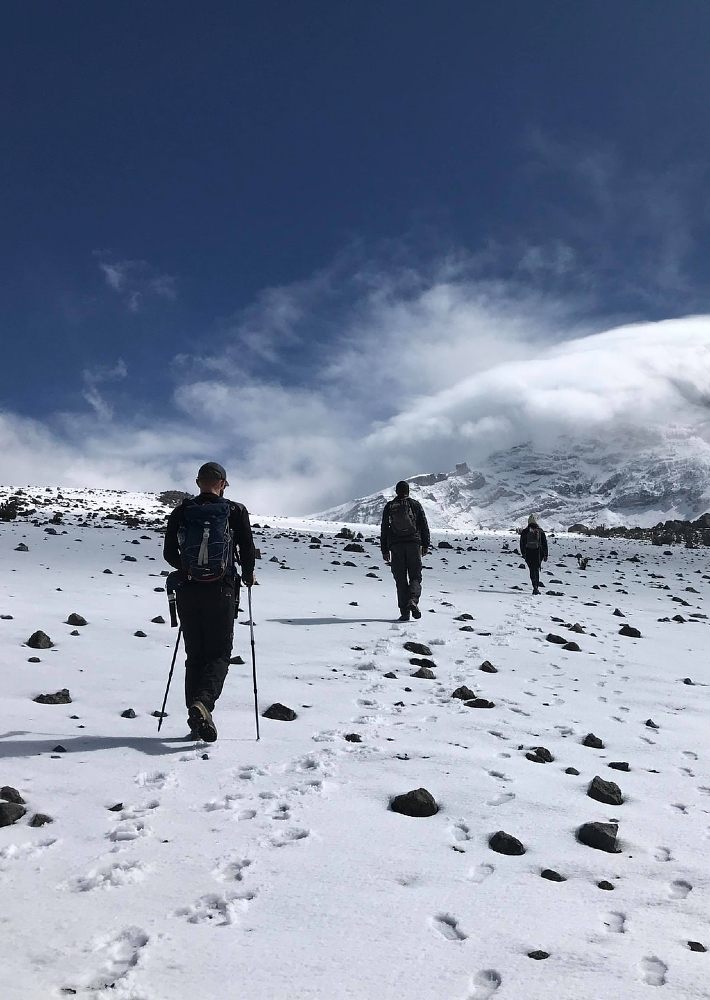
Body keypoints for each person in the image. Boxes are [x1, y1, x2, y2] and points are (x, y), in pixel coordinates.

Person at [164, 462, 256, 742]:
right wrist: (249, 574)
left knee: (195, 657)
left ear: (197, 482)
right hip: (222, 591)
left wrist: (189, 571)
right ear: (223, 483)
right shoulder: (235, 510)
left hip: (189, 592)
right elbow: (247, 548)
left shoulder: (182, 511)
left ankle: (197, 722)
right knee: (219, 654)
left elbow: (169, 553)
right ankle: (203, 704)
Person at [380, 480, 431, 622]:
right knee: (415, 576)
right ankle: (413, 600)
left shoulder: (390, 506)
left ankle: (404, 613)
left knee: (400, 579)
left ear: (396, 491)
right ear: (408, 491)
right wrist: (425, 544)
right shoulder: (415, 505)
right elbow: (423, 524)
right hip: (414, 544)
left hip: (396, 546)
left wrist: (384, 549)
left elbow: (384, 528)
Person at [519, 513, 548, 595]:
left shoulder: (525, 531)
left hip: (529, 553)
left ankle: (534, 585)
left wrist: (524, 554)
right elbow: (544, 543)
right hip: (538, 553)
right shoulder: (540, 531)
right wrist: (545, 555)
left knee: (531, 570)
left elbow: (522, 543)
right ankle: (536, 587)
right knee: (536, 569)